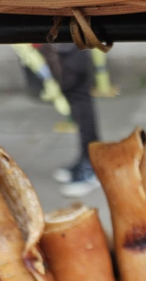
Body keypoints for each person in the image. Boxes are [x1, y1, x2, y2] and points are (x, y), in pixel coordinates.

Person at [43, 44, 101, 198]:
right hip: (63, 40)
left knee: (79, 95)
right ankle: (86, 157)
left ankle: (92, 163)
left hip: (71, 38)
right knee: (73, 93)